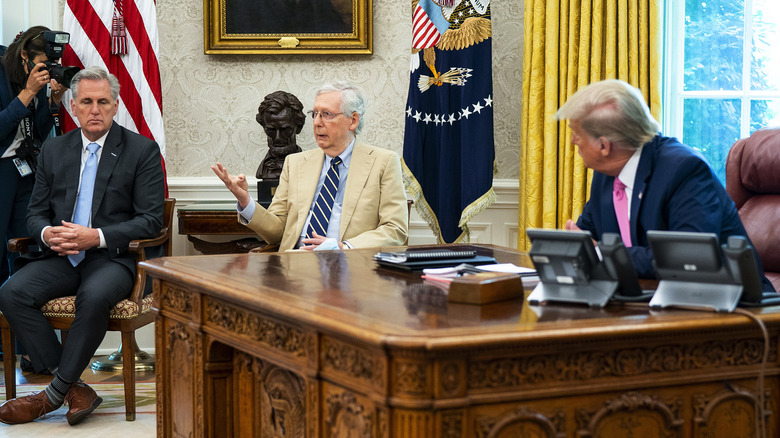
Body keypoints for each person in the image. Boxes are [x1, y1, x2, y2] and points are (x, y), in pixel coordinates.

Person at [0, 66, 165, 425]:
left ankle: (51, 396)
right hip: (62, 257)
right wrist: (46, 235)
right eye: (87, 102)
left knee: (94, 295)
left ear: (116, 105)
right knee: (12, 292)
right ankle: (75, 387)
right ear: (72, 106)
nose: (95, 109)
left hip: (114, 258)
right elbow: (36, 213)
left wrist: (97, 236)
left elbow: (152, 220)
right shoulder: (55, 150)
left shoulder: (141, 150)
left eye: (103, 102)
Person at [556, 79, 774, 291]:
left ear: (604, 146)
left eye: (576, 132)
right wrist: (577, 247)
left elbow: (688, 257)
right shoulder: (607, 174)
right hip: (649, 303)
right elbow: (588, 236)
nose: (574, 140)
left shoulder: (684, 171)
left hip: (736, 310)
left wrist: (600, 254)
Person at [213, 81, 408, 251]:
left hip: (351, 267)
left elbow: (395, 229)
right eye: (315, 114)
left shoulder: (383, 162)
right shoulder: (296, 163)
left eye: (327, 114)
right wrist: (245, 200)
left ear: (353, 120)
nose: (316, 122)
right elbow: (277, 231)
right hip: (295, 266)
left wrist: (344, 247)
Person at [0, 26, 67, 288]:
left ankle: (20, 312)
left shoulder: (38, 77)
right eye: (43, 63)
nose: (48, 69)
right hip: (2, 170)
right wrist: (27, 92)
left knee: (26, 247)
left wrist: (54, 101)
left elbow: (37, 132)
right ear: (25, 55)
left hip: (25, 170)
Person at [255, 90, 305, 180]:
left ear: (298, 127)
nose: (277, 138)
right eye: (271, 130)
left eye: (285, 130)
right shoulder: (264, 169)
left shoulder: (308, 167)